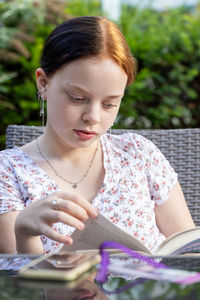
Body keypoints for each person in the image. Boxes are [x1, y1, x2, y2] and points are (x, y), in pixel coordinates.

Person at [0, 16, 195, 256]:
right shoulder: (8, 172)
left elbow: (188, 254)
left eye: (109, 104)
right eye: (77, 98)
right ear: (43, 83)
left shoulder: (139, 154)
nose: (92, 116)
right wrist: (24, 234)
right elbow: (23, 289)